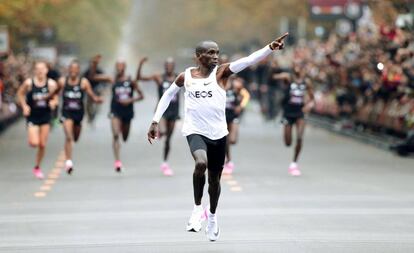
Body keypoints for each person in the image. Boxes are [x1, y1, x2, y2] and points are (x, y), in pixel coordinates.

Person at [147, 33, 288, 241]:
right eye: (210, 53)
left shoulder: (222, 73)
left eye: (217, 53)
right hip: (195, 130)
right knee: (200, 164)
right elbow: (168, 94)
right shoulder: (186, 76)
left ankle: (212, 216)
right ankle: (196, 210)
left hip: (218, 134)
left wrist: (269, 48)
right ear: (198, 56)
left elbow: (248, 61)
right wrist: (155, 120)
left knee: (214, 180)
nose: (215, 57)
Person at [58, 61, 103, 174]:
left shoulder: (83, 82)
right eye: (71, 69)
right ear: (68, 70)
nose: (73, 71)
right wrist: (52, 100)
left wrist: (97, 99)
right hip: (66, 112)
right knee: (68, 137)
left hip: (78, 113)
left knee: (75, 138)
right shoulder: (63, 81)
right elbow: (55, 93)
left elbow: (91, 95)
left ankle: (70, 151)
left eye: (75, 69)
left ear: (78, 70)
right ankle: (68, 162)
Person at [17, 61, 59, 179]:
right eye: (37, 69)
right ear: (34, 70)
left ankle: (37, 167)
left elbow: (56, 99)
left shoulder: (51, 84)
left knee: (42, 144)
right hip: (33, 116)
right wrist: (25, 106)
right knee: (34, 143)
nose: (40, 71)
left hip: (45, 115)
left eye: (42, 69)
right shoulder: (29, 83)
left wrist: (53, 103)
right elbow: (20, 94)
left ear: (46, 70)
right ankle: (32, 138)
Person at [137, 57, 178, 176]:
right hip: (163, 111)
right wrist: (140, 65)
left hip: (174, 112)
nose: (169, 67)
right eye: (167, 65)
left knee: (168, 139)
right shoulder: (159, 77)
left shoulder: (179, 78)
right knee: (164, 132)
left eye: (171, 65)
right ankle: (159, 130)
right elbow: (140, 78)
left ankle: (165, 162)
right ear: (165, 66)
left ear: (174, 66)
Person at [273, 65, 314, 176]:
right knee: (288, 142)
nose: (298, 69)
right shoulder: (288, 78)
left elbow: (312, 98)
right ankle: (293, 160)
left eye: (300, 67)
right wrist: (275, 72)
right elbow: (274, 77)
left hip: (300, 112)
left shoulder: (307, 82)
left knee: (300, 137)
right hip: (288, 112)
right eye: (296, 66)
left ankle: (294, 163)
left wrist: (309, 106)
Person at [110, 60, 144, 172]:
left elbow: (141, 96)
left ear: (124, 67)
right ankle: (117, 162)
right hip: (115, 111)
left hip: (127, 112)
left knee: (124, 137)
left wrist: (130, 100)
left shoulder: (131, 81)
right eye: (117, 66)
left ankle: (122, 136)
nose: (119, 68)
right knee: (115, 135)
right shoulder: (113, 80)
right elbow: (93, 76)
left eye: (121, 66)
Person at [223, 77, 250, 174]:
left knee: (232, 140)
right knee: (225, 139)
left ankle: (226, 157)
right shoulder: (218, 83)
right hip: (221, 116)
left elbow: (246, 95)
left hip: (233, 115)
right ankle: (228, 160)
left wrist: (241, 106)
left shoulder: (237, 84)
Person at [83, 55, 108, 124]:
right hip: (89, 90)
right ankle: (90, 115)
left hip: (97, 90)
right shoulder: (87, 71)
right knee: (88, 104)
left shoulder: (99, 70)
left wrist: (103, 89)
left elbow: (105, 81)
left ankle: (95, 112)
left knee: (97, 104)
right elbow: (82, 80)